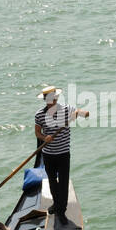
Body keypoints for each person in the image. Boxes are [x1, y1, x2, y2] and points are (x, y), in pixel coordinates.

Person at [34, 85, 90, 222]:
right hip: (48, 154)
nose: (50, 101)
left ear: (56, 98)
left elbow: (85, 113)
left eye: (52, 98)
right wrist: (44, 138)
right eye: (48, 99)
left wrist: (79, 113)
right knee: (52, 181)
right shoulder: (39, 114)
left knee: (63, 182)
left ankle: (61, 211)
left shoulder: (66, 109)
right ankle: (56, 203)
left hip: (63, 153)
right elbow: (37, 132)